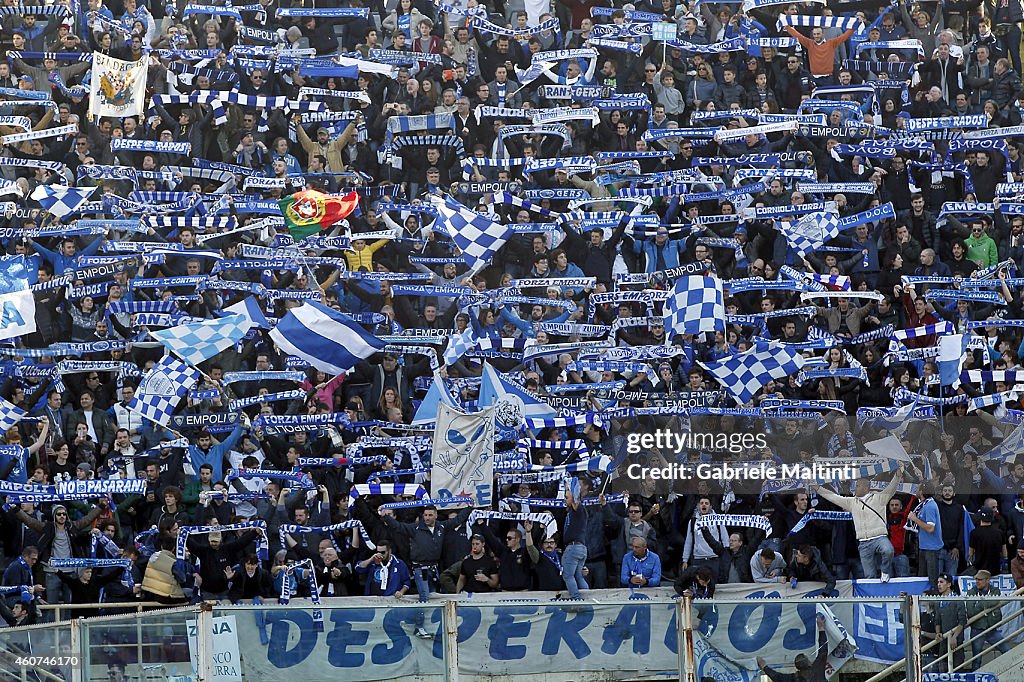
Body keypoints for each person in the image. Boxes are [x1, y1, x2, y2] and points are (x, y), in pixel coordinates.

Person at [812, 467, 905, 581]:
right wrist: (817, 488)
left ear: (866, 488)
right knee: (869, 577)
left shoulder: (879, 498)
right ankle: (872, 598)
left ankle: (885, 571)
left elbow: (891, 488)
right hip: (863, 543)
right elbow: (833, 497)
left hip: (879, 537)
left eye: (857, 486)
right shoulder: (851, 502)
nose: (854, 488)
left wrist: (898, 475)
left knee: (888, 550)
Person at [756, 615, 828, 681]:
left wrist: (764, 666)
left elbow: (777, 677)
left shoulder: (794, 678)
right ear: (809, 663)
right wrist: (821, 629)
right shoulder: (817, 669)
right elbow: (823, 650)